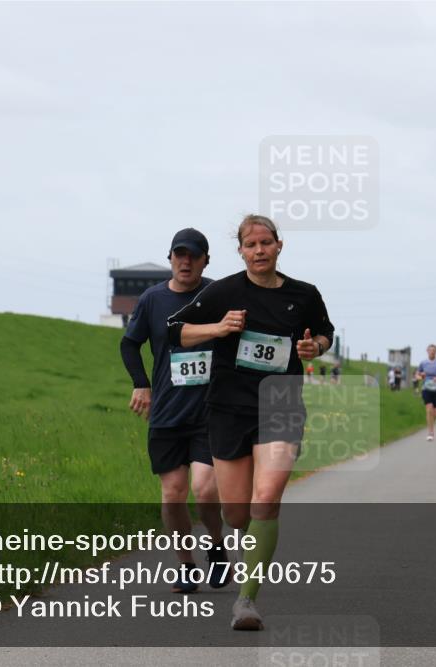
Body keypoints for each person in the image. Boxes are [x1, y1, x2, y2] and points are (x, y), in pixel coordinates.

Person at [167, 214, 334, 631]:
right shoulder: (224, 291)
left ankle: (246, 601)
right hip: (228, 409)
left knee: (267, 498)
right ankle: (237, 541)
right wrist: (218, 327)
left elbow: (327, 334)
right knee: (237, 513)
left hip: (281, 405)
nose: (259, 251)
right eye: (250, 245)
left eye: (266, 243)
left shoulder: (304, 294)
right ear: (240, 251)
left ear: (280, 245)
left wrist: (317, 346)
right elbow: (175, 331)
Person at [120, 228, 228, 593]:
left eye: (193, 255)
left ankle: (216, 546)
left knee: (205, 488)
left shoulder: (218, 295)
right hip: (167, 412)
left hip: (209, 412)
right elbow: (129, 345)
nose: (186, 261)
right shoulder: (152, 300)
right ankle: (185, 565)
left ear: (205, 261)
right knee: (172, 494)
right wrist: (140, 383)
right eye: (179, 254)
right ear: (170, 258)